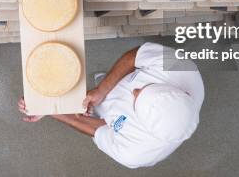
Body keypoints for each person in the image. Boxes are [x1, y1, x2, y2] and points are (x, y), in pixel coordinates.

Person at [18, 42, 204, 169]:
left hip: (107, 115)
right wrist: (102, 89)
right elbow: (135, 56)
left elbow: (97, 129)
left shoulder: (136, 154)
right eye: (146, 87)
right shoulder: (184, 67)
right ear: (183, 92)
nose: (134, 90)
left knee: (92, 109)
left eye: (137, 100)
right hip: (107, 90)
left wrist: (50, 108)